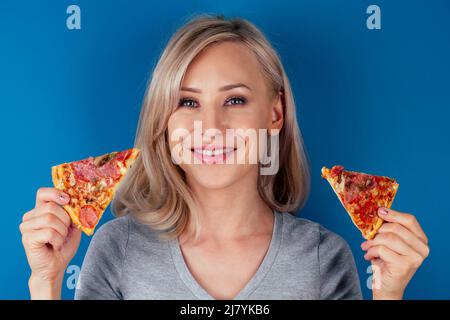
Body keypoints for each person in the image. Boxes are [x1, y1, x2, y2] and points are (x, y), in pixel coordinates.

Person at [20, 15, 429, 300]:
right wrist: (46, 281)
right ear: (164, 121)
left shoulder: (324, 257)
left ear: (275, 113)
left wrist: (388, 293)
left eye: (234, 99)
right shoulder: (117, 248)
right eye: (187, 102)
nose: (210, 127)